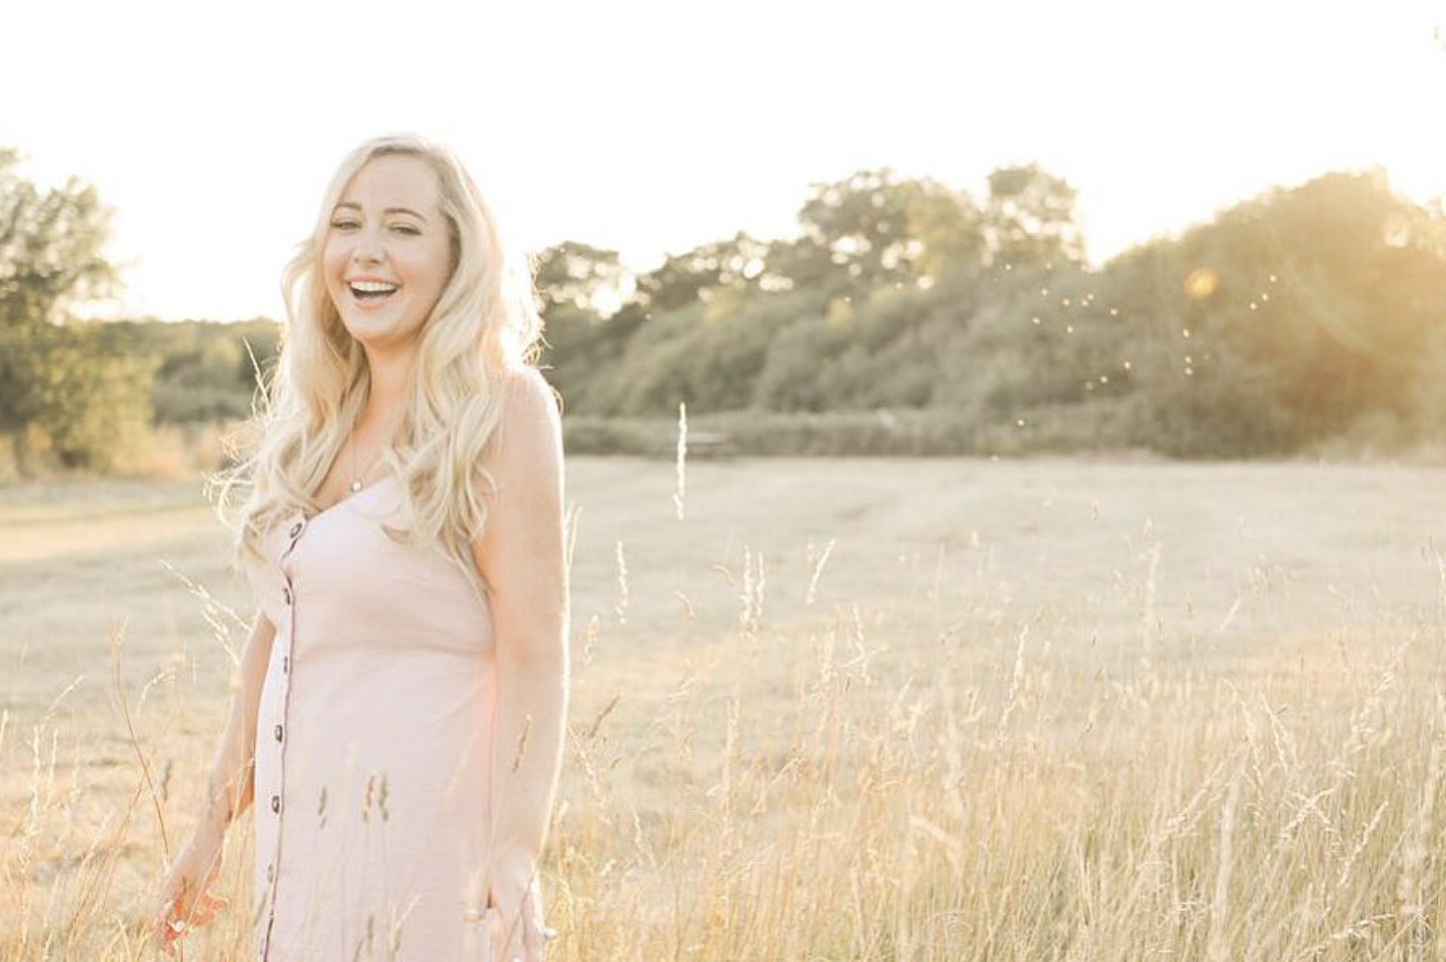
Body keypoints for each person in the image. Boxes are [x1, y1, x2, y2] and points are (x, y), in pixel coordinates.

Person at [147, 134, 569, 962]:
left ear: (458, 256)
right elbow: (277, 638)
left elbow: (537, 649)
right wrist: (209, 826)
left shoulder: (500, 411)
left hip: (428, 857)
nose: (366, 251)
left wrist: (515, 845)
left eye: (403, 228)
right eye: (348, 223)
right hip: (302, 853)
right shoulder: (321, 421)